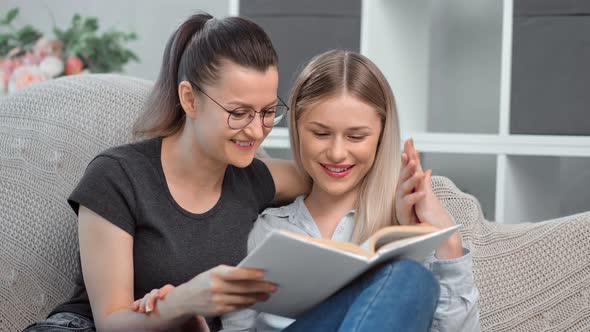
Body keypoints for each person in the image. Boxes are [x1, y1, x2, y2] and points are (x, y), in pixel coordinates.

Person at [140, 50, 481, 331]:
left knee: (410, 277)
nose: (336, 153)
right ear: (297, 129)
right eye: (320, 133)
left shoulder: (405, 233)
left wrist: (449, 244)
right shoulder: (267, 230)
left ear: (380, 137)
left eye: (356, 136)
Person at [23, 13, 309, 332]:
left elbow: (333, 176)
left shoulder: (255, 178)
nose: (256, 131)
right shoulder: (117, 177)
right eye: (239, 113)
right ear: (189, 99)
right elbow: (111, 323)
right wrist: (184, 301)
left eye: (268, 112)